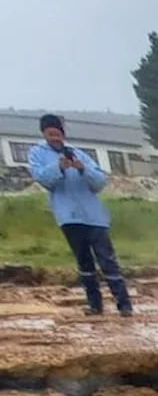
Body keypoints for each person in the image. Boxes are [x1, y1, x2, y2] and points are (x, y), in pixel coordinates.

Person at [27, 114, 134, 317]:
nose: (54, 138)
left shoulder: (79, 154)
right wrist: (59, 167)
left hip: (94, 216)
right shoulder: (36, 154)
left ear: (63, 134)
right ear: (43, 134)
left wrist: (82, 168)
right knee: (84, 261)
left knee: (107, 260)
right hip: (68, 216)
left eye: (57, 134)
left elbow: (100, 182)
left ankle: (124, 305)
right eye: (50, 134)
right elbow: (43, 179)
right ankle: (95, 305)